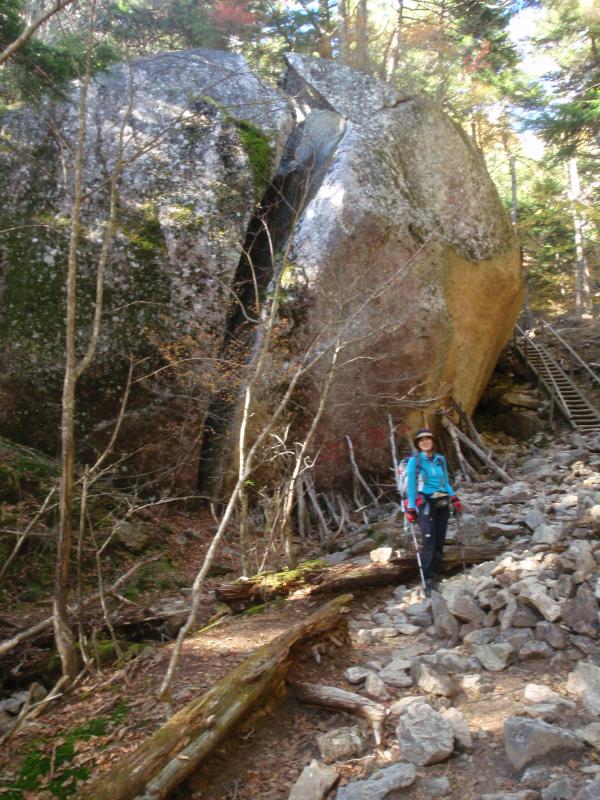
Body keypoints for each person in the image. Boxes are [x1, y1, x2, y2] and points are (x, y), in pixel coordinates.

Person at [405, 428, 463, 595]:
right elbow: (411, 486)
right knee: (429, 539)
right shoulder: (414, 462)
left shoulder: (440, 460)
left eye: (427, 438)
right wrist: (410, 507)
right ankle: (428, 578)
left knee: (439, 539)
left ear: (432, 441)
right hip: (425, 502)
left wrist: (454, 498)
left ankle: (435, 571)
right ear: (418, 444)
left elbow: (445, 482)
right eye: (421, 439)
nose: (424, 441)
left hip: (442, 501)